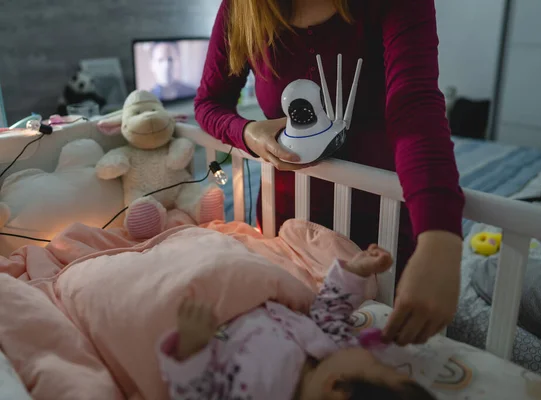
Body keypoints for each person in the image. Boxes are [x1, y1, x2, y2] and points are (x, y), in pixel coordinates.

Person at [194, 0, 464, 346]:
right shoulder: (243, 7)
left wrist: (441, 238)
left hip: (380, 224)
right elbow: (209, 103)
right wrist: (248, 132)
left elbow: (415, 108)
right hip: (286, 226)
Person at [157, 245, 437, 399]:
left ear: (337, 388)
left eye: (377, 365)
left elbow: (201, 394)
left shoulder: (259, 391)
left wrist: (191, 351)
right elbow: (331, 308)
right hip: (256, 290)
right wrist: (354, 272)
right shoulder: (334, 347)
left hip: (213, 318)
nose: (372, 355)